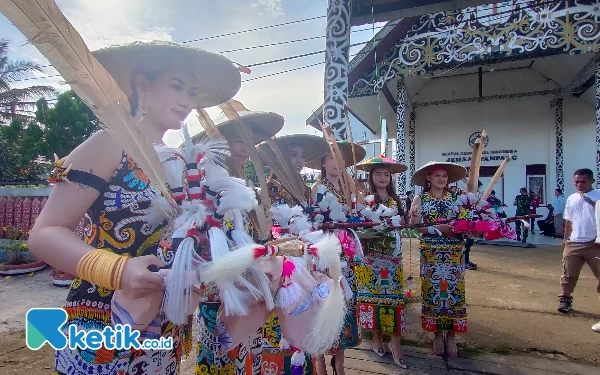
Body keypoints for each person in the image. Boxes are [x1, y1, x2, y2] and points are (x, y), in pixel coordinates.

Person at [27, 41, 242, 374]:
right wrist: (120, 271)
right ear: (142, 85)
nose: (187, 100)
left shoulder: (183, 164)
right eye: (177, 86)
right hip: (102, 320)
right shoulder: (110, 144)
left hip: (162, 326)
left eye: (192, 91)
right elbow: (44, 234)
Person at [191, 107, 284, 375]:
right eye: (239, 141)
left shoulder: (245, 183)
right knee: (221, 358)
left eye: (251, 142)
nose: (246, 148)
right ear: (222, 141)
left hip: (251, 285)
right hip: (220, 287)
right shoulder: (209, 181)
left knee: (249, 357)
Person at [257, 134, 329, 375]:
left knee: (303, 320)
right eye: (292, 155)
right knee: (281, 327)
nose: (299, 161)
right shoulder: (269, 190)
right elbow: (267, 232)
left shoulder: (306, 190)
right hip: (281, 268)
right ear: (277, 160)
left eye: (302, 156)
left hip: (304, 262)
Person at [309, 141, 366, 375]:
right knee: (322, 305)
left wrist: (353, 188)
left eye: (341, 158)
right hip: (325, 254)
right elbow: (311, 222)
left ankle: (340, 363)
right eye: (332, 157)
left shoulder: (349, 188)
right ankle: (320, 361)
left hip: (348, 256)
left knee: (344, 304)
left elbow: (362, 209)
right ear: (323, 162)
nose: (337, 162)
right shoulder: (316, 188)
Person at [410, 161, 468, 357]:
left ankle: (451, 335)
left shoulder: (457, 198)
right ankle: (436, 333)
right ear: (428, 178)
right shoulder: (420, 199)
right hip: (431, 254)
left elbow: (466, 221)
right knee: (434, 292)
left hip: (454, 254)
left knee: (454, 293)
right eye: (437, 175)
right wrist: (437, 229)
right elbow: (415, 227)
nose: (441, 179)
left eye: (444, 175)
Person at [354, 155, 407, 369]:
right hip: (370, 259)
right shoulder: (363, 197)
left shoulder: (397, 200)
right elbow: (357, 224)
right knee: (372, 299)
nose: (382, 177)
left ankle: (396, 345)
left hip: (392, 260)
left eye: (386, 174)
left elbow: (403, 224)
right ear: (371, 176)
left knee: (393, 300)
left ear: (391, 177)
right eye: (378, 173)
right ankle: (376, 337)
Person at [557, 169, 600, 313]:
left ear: (592, 181)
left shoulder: (598, 195)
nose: (579, 184)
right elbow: (568, 221)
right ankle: (565, 300)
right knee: (568, 274)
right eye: (576, 181)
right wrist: (565, 239)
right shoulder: (571, 198)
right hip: (574, 243)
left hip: (595, 243)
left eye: (583, 181)